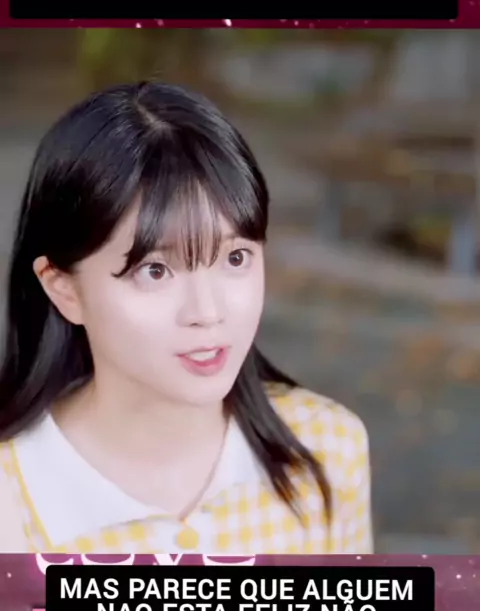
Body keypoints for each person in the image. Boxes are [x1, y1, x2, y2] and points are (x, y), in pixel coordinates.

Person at [0, 81, 372, 555]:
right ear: (63, 289)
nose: (207, 312)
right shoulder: (14, 495)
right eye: (155, 270)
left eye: (235, 258)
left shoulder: (326, 450)